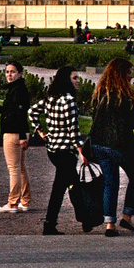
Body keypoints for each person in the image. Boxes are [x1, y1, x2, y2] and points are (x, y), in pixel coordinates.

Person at [86, 57, 134, 236]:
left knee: (111, 183)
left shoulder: (100, 93)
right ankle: (127, 216)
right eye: (128, 72)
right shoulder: (123, 96)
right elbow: (133, 123)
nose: (131, 75)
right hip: (120, 144)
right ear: (121, 74)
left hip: (99, 143)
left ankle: (109, 224)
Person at [32, 66, 85, 236]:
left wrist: (40, 131)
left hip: (53, 150)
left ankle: (81, 219)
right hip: (66, 150)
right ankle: (82, 218)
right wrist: (81, 151)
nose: (78, 81)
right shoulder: (68, 100)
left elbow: (32, 111)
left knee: (67, 185)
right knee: (67, 186)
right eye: (75, 78)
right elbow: (73, 129)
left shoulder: (51, 98)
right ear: (66, 80)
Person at [0, 60, 32, 213]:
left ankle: (12, 203)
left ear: (20, 74)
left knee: (14, 168)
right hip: (18, 131)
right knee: (20, 168)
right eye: (7, 72)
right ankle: (25, 200)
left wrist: (21, 135)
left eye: (12, 72)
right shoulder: (18, 89)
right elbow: (15, 111)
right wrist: (1, 110)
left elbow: (20, 113)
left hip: (14, 132)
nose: (9, 74)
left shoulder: (17, 90)